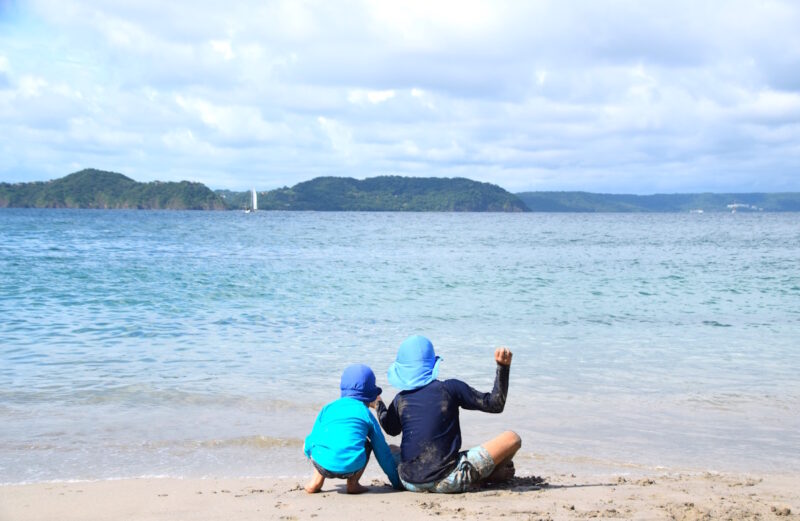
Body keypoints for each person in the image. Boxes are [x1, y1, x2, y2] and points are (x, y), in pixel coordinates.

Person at [376, 335, 521, 493]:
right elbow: (495, 404)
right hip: (448, 479)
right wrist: (503, 367)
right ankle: (491, 475)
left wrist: (378, 404)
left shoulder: (400, 399)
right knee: (512, 438)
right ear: (433, 364)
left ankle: (415, 482)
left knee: (391, 448)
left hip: (408, 481)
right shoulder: (450, 388)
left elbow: (391, 429)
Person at [303, 364, 402, 494]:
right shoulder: (366, 414)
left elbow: (313, 438)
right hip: (352, 467)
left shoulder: (327, 408)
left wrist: (308, 452)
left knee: (319, 441)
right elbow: (382, 451)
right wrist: (396, 482)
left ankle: (315, 482)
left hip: (322, 464)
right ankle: (353, 484)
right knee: (367, 444)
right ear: (370, 395)